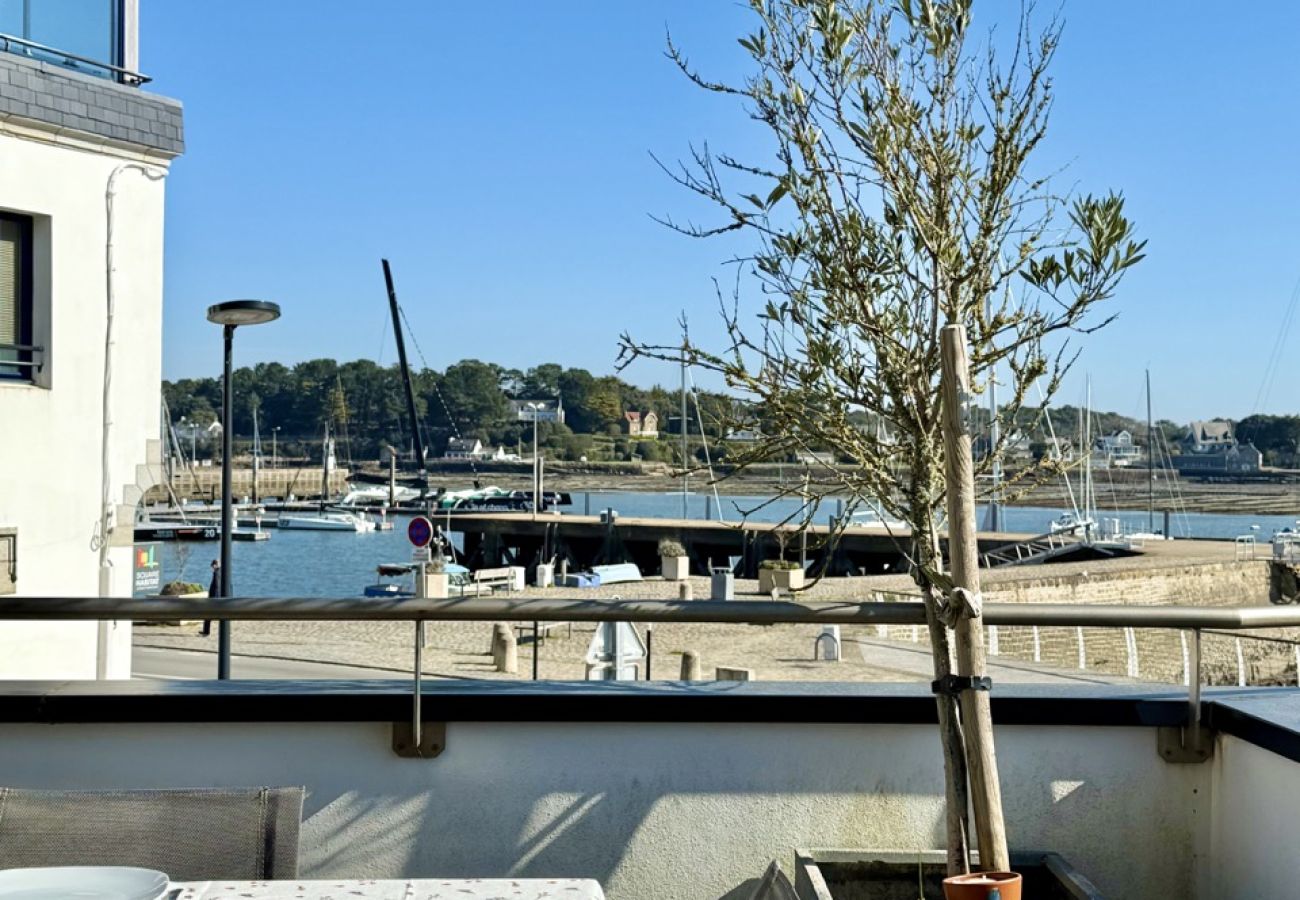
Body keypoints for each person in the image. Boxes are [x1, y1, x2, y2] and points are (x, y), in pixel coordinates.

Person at [202, 559, 220, 637]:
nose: (212, 568)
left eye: (212, 566)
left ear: (214, 565)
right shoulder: (220, 572)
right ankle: (206, 631)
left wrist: (213, 598)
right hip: (217, 598)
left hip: (214, 598)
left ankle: (206, 631)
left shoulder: (216, 573)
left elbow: (216, 586)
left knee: (207, 615)